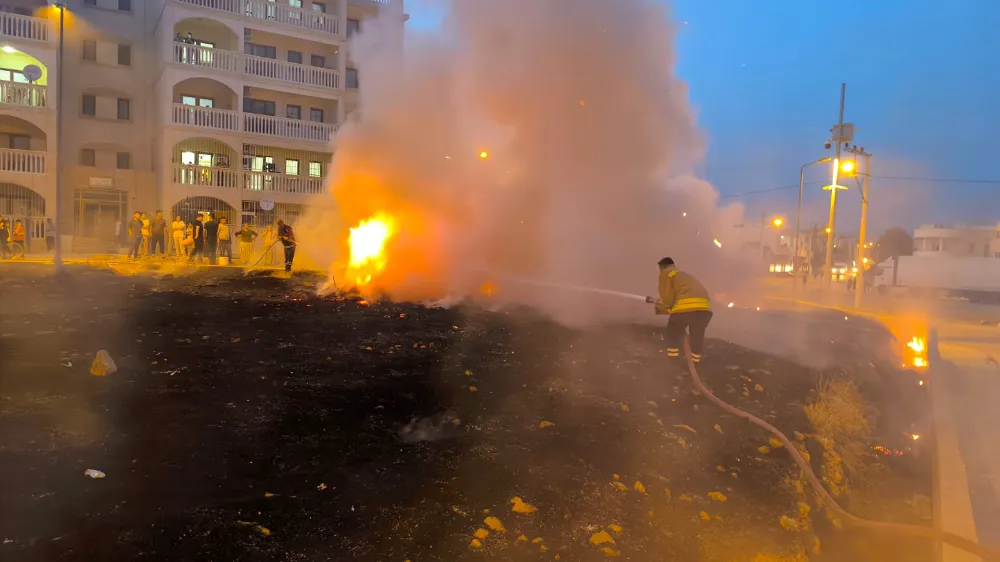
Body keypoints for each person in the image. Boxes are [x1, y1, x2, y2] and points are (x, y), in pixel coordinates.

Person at [648, 257, 713, 364]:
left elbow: (668, 300)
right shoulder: (682, 276)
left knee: (673, 331)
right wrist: (666, 307)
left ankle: (673, 361)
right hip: (704, 310)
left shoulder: (666, 273)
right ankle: (695, 362)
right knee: (696, 336)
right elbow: (677, 301)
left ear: (662, 267)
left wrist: (660, 307)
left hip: (686, 309)